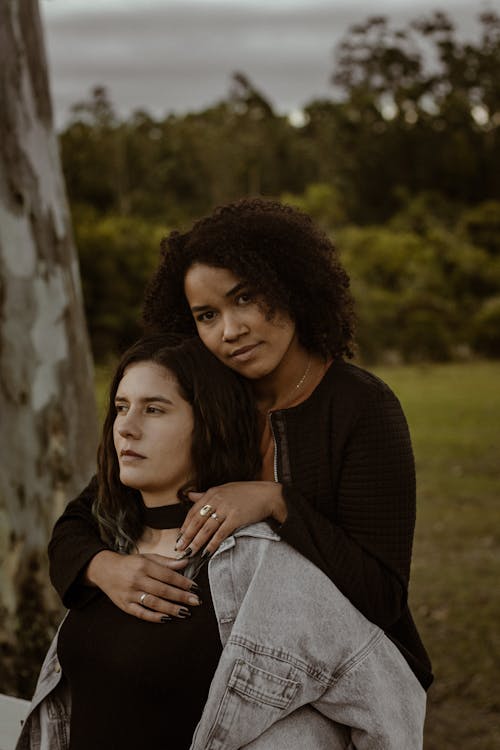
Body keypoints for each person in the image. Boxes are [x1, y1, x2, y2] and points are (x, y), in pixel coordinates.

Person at [48, 198, 433, 693]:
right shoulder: (206, 401)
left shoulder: (362, 407)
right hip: (226, 674)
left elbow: (381, 596)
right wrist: (102, 567)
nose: (231, 330)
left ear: (290, 286)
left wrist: (275, 502)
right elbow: (84, 518)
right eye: (207, 315)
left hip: (345, 683)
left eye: (246, 298)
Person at [18, 334, 426, 750]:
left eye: (154, 410)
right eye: (121, 408)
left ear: (207, 426)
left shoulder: (265, 565)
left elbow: (389, 702)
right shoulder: (107, 540)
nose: (126, 427)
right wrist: (99, 566)